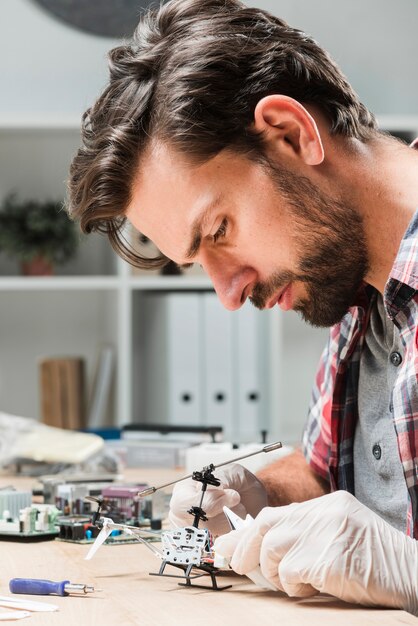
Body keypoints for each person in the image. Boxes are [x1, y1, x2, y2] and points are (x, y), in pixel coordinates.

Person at [66, 0, 418, 615]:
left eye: (220, 230)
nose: (228, 294)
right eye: (197, 260)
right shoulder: (356, 286)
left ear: (290, 133)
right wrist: (264, 497)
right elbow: (343, 490)